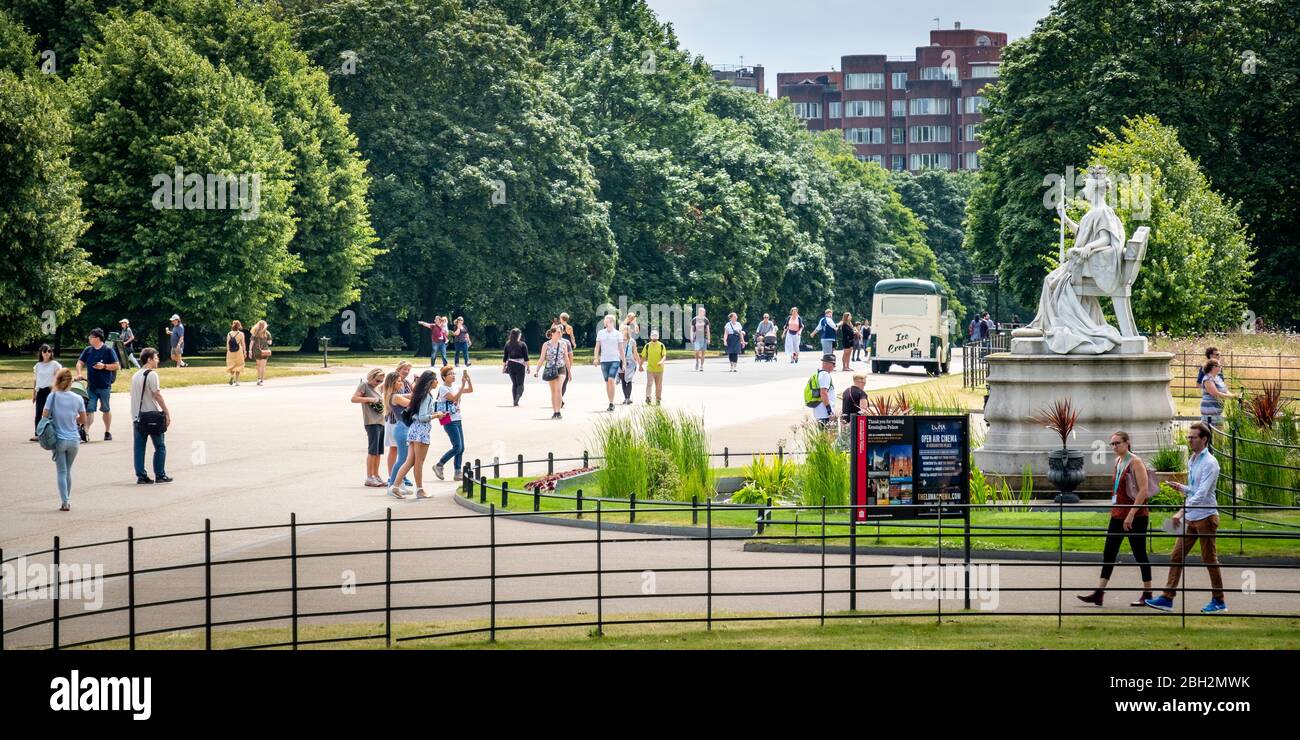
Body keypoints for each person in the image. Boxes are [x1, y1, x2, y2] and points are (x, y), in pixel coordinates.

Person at [1146, 422, 1227, 614]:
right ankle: (1167, 597)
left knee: (1209, 559)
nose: (1189, 440)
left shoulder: (1210, 463)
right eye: (1188, 437)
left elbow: (1202, 494)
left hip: (1206, 517)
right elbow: (1194, 490)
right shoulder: (1193, 459)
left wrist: (1181, 511)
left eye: (1193, 437)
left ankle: (1219, 600)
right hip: (1192, 517)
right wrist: (1182, 488)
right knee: (1176, 555)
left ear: (1204, 439)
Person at [1077, 431, 1153, 607]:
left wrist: (1131, 514)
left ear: (1127, 443)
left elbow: (1143, 490)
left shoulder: (1136, 462)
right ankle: (1099, 592)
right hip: (1118, 514)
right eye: (1112, 444)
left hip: (1136, 516)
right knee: (1109, 552)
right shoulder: (1118, 461)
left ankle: (1147, 592)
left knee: (1139, 553)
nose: (1114, 446)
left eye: (1117, 443)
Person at [391, 371, 444, 499]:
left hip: (414, 430)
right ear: (430, 381)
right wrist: (437, 415)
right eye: (436, 379)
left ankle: (395, 486)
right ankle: (420, 490)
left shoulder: (421, 395)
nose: (437, 382)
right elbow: (423, 417)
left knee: (410, 461)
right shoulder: (426, 396)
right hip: (421, 431)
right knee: (419, 462)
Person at [41, 368, 85, 512]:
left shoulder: (52, 397)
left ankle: (65, 501)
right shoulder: (78, 398)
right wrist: (72, 418)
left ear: (57, 380)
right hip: (74, 440)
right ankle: (67, 498)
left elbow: (45, 416)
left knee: (61, 471)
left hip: (59, 439)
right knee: (68, 470)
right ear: (70, 381)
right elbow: (83, 419)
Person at [129, 348, 172, 485]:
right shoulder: (152, 375)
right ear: (149, 359)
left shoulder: (135, 375)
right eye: (156, 358)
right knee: (160, 446)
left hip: (138, 416)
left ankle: (141, 475)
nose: (157, 360)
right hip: (152, 415)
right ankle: (160, 474)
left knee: (139, 447)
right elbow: (156, 394)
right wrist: (166, 411)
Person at [76, 328, 120, 442]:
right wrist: (80, 373)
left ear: (97, 338)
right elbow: (79, 363)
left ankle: (107, 431)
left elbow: (116, 366)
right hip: (91, 386)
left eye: (91, 337)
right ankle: (85, 432)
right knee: (89, 409)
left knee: (105, 408)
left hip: (104, 385)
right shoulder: (88, 350)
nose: (89, 339)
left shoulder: (108, 350)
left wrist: (104, 366)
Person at [433, 365, 473, 481]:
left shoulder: (455, 386)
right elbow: (454, 398)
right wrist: (463, 386)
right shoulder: (443, 388)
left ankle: (457, 472)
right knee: (457, 447)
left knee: (461, 448)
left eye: (454, 373)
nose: (453, 376)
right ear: (444, 377)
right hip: (449, 420)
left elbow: (470, 390)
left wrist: (468, 381)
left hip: (457, 418)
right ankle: (439, 465)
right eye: (450, 374)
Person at [351, 368, 387, 487]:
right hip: (371, 422)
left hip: (380, 421)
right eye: (377, 380)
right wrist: (370, 399)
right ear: (371, 377)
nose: (379, 383)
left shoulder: (377, 388)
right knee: (372, 450)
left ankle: (376, 475)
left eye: (381, 381)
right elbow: (354, 399)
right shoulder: (364, 386)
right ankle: (369, 477)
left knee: (378, 451)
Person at [382, 371, 414, 498]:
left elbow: (411, 395)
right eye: (399, 381)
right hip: (402, 429)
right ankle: (392, 485)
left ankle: (399, 484)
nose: (402, 382)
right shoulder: (395, 397)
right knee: (402, 459)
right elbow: (412, 403)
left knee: (404, 459)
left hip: (403, 428)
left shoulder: (395, 395)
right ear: (393, 383)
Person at [535, 326, 571, 419]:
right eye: (558, 332)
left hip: (561, 368)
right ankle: (554, 411)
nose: (560, 334)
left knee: (559, 390)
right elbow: (542, 358)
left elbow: (566, 358)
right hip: (550, 369)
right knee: (553, 391)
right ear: (552, 333)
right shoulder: (546, 345)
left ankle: (558, 412)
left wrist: (569, 372)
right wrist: (537, 370)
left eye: (561, 332)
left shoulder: (564, 344)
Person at [31, 344, 62, 442]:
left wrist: (55, 387)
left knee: (52, 413)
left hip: (51, 391)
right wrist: (34, 393)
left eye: (49, 351)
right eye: (44, 351)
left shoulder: (55, 364)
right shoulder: (38, 365)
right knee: (39, 413)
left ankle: (55, 433)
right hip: (40, 391)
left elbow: (60, 377)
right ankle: (38, 434)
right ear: (41, 353)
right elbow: (36, 380)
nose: (47, 353)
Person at [593, 314, 624, 412]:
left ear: (611, 322)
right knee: (607, 382)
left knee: (611, 379)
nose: (604, 323)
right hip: (604, 360)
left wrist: (623, 361)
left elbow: (621, 349)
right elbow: (597, 347)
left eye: (606, 321)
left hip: (615, 359)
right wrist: (596, 358)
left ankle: (612, 402)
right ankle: (610, 402)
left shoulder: (618, 334)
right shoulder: (601, 333)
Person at [1199, 359, 1235, 428]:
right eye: (1219, 365)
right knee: (1210, 433)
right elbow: (1215, 393)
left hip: (1218, 410)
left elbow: (1225, 390)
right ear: (1213, 367)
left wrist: (1233, 396)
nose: (1221, 367)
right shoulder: (1208, 379)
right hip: (1209, 409)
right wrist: (1232, 397)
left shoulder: (1218, 378)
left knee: (1219, 434)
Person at [502, 328, 529, 407]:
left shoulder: (507, 344)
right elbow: (526, 358)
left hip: (510, 365)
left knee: (514, 384)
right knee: (520, 384)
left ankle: (514, 401)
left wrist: (503, 367)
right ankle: (518, 396)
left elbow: (505, 357)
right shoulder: (522, 344)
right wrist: (528, 367)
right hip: (520, 365)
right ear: (518, 335)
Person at [618, 325, 642, 404]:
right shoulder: (618, 340)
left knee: (629, 380)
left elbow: (635, 353)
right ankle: (626, 398)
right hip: (620, 362)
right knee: (623, 380)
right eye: (623, 330)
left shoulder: (632, 341)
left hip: (630, 363)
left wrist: (640, 364)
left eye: (626, 330)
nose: (625, 331)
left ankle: (628, 398)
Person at [811, 354, 836, 427]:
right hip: (824, 413)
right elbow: (823, 393)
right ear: (827, 364)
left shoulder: (819, 373)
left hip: (820, 411)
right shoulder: (825, 375)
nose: (835, 366)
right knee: (828, 435)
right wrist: (829, 411)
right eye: (833, 364)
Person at [643, 329, 666, 405]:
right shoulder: (647, 345)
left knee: (658, 385)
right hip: (650, 369)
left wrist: (661, 361)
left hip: (659, 369)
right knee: (649, 383)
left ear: (658, 337)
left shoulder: (661, 345)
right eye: (653, 335)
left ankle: (658, 399)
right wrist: (640, 365)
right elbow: (643, 356)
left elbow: (664, 356)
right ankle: (648, 397)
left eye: (656, 335)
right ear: (650, 336)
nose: (654, 337)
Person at [558, 312, 577, 403]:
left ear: (561, 318)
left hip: (560, 346)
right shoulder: (569, 327)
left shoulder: (557, 327)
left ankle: (559, 397)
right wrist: (574, 344)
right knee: (567, 360)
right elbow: (572, 337)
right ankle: (560, 397)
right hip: (567, 345)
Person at [248, 320, 273, 386]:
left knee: (258, 366)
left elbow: (251, 343)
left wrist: (250, 351)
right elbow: (270, 343)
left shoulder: (255, 333)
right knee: (263, 366)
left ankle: (258, 379)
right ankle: (261, 380)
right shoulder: (267, 333)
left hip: (257, 351)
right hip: (265, 351)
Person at [225, 320, 247, 386]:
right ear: (239, 326)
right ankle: (236, 381)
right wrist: (245, 351)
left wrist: (228, 351)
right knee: (239, 365)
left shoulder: (229, 333)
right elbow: (243, 344)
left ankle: (232, 376)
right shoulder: (241, 334)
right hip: (238, 351)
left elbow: (227, 344)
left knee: (232, 365)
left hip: (230, 351)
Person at [689, 307, 710, 371]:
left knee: (703, 353)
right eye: (701, 312)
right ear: (698, 312)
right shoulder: (694, 319)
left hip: (704, 338)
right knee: (696, 351)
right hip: (696, 338)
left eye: (703, 312)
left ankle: (701, 366)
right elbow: (691, 329)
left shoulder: (706, 320)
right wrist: (691, 337)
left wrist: (709, 339)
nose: (702, 313)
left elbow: (708, 330)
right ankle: (697, 361)